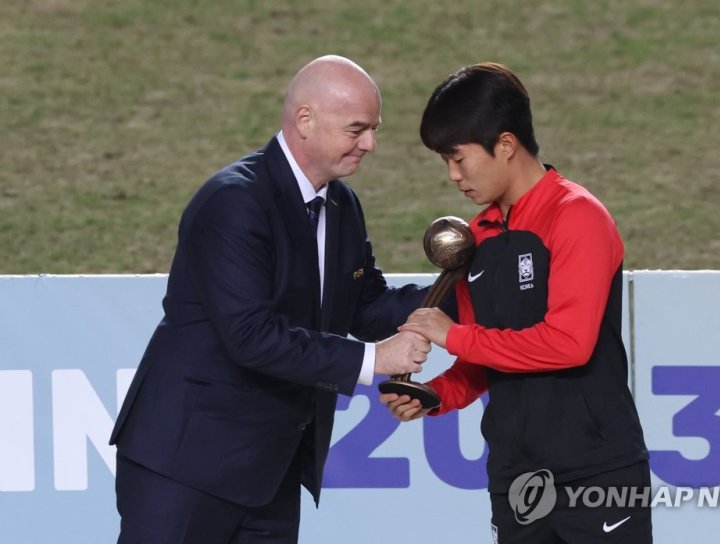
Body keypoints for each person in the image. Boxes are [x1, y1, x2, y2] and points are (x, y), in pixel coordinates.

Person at [110, 54, 431, 544]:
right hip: (185, 469)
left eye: (374, 128)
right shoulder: (234, 202)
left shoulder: (341, 205)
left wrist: (461, 291)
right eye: (357, 129)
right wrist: (374, 359)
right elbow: (251, 336)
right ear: (306, 120)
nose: (371, 143)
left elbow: (366, 306)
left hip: (269, 474)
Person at [381, 63, 652, 543]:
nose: (452, 175)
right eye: (444, 160)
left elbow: (568, 344)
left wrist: (452, 333)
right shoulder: (476, 238)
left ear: (505, 145)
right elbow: (489, 358)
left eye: (459, 158)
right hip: (516, 479)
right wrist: (436, 395)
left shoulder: (577, 216)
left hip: (597, 474)